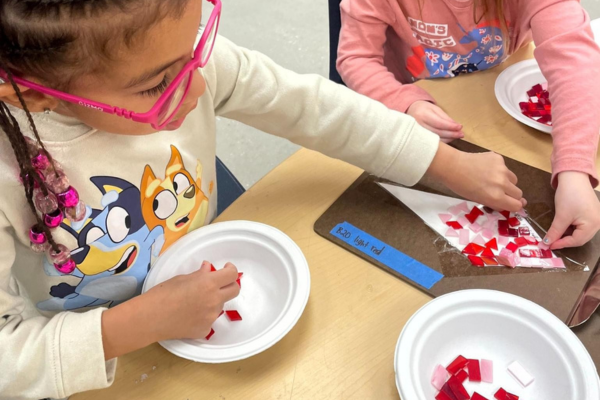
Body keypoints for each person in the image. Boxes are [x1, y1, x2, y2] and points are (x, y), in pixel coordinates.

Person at [0, 0, 523, 398]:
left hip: (202, 280)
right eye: (156, 85)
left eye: (198, 52)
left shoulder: (169, 53)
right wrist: (132, 326)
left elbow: (307, 104)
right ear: (39, 91)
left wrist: (442, 162)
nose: (199, 89)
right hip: (109, 359)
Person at [337, 0, 600, 250]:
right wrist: (403, 102)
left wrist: (574, 169)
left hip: (497, 102)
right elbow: (355, 58)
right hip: (412, 105)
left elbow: (575, 65)